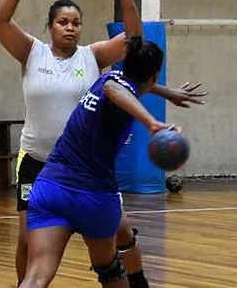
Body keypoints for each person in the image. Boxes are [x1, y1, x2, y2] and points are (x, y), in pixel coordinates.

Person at [0, 0, 207, 287]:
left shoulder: (92, 57)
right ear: (49, 26)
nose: (71, 28)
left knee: (120, 229)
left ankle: (138, 278)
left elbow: (133, 49)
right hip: (38, 161)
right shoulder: (32, 53)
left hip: (90, 169)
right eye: (63, 22)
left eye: (76, 23)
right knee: (28, 242)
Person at [21, 35, 172, 288]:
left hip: (50, 188)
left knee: (36, 277)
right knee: (109, 269)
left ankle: (139, 280)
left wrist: (169, 92)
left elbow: (116, 86)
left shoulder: (104, 78)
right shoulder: (115, 88)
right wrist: (151, 122)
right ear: (154, 75)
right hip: (94, 197)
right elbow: (115, 91)